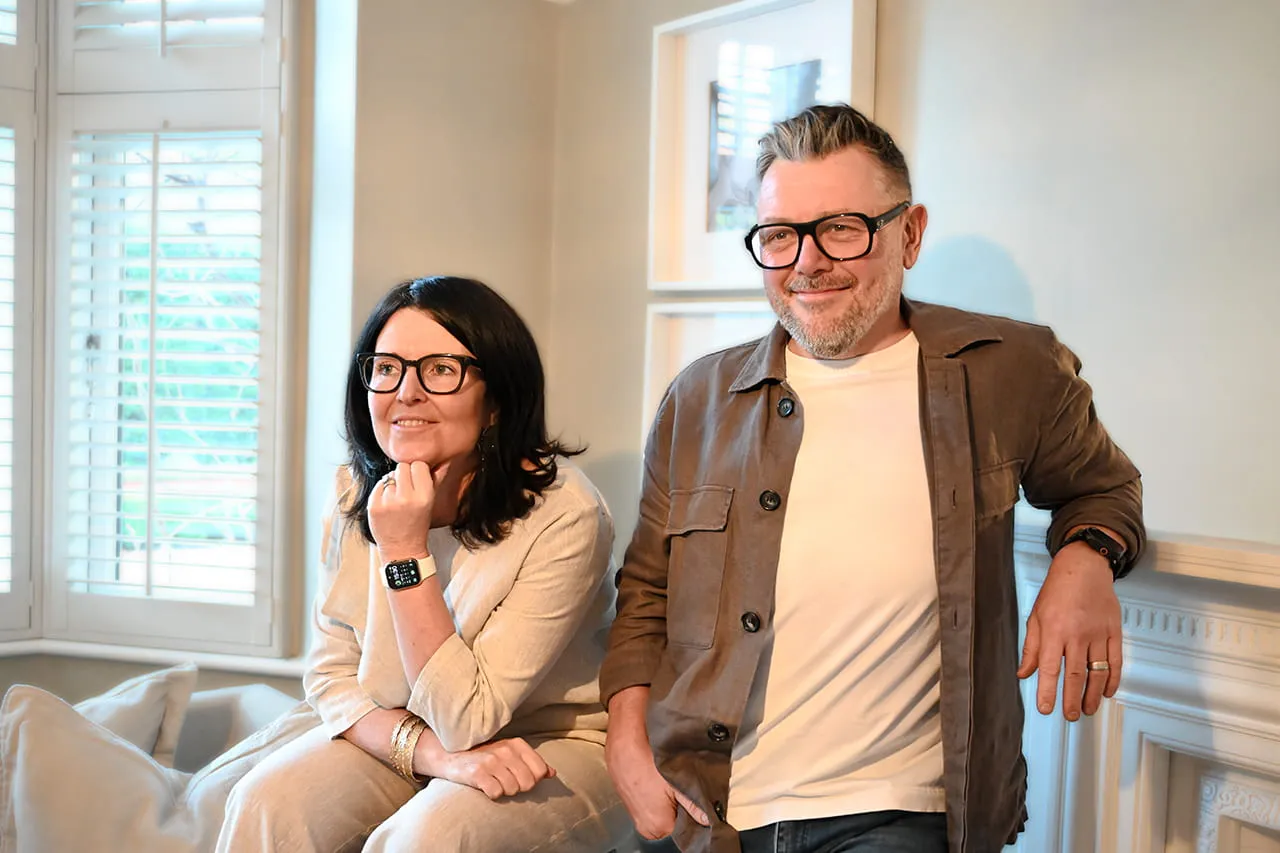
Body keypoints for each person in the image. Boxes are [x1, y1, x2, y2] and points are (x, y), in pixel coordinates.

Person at [600, 104, 1145, 853]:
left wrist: (1086, 558)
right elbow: (645, 595)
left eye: (842, 228)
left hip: (898, 812)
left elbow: (1103, 486)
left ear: (909, 233)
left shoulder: (1007, 371)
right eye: (780, 235)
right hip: (705, 805)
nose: (806, 261)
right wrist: (626, 742)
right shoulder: (698, 399)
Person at [219, 276, 629, 852]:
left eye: (441, 369)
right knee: (267, 803)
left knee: (430, 840)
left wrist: (406, 551)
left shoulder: (566, 515)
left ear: (496, 401)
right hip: (404, 727)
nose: (405, 392)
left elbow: (470, 719)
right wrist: (430, 754)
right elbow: (331, 676)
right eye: (387, 368)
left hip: (548, 738)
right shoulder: (354, 492)